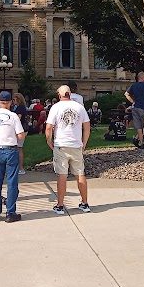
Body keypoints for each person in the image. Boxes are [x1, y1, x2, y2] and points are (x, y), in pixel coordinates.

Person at [46, 85, 91, 214]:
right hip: (76, 144)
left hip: (61, 144)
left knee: (62, 175)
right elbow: (87, 127)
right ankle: (85, 202)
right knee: (80, 174)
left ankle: (60, 205)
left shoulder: (56, 107)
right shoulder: (79, 107)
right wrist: (84, 143)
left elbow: (49, 128)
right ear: (70, 94)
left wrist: (49, 141)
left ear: (59, 95)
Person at [0, 90, 26, 222]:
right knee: (12, 182)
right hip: (10, 150)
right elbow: (20, 136)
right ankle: (10, 212)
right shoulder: (13, 116)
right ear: (9, 103)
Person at [125, 71, 144, 149]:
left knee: (139, 127)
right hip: (143, 108)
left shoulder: (133, 85)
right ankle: (141, 142)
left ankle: (140, 141)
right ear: (142, 77)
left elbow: (126, 94)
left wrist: (133, 101)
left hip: (135, 108)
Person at [12, 92, 29, 175]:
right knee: (18, 148)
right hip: (22, 129)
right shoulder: (19, 107)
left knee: (19, 148)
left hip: (21, 129)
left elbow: (18, 119)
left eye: (14, 99)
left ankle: (21, 168)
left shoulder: (20, 108)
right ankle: (18, 167)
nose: (13, 101)